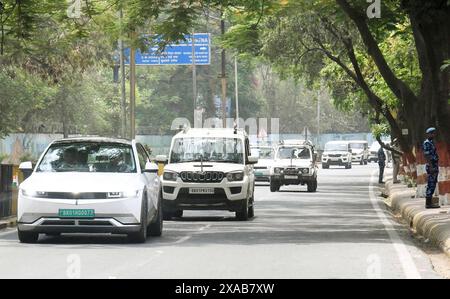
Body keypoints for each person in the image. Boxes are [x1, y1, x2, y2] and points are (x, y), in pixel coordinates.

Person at [423, 127, 440, 209]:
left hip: (434, 165)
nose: (433, 135)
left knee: (432, 183)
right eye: (432, 133)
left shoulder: (431, 142)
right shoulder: (427, 143)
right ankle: (428, 203)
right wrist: (431, 166)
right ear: (428, 134)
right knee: (431, 184)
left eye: (434, 133)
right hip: (431, 166)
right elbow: (427, 155)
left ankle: (429, 203)